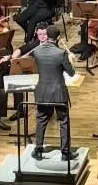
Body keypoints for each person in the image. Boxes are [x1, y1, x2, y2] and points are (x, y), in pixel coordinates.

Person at [26, 25, 73, 162]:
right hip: (58, 93)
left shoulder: (37, 52)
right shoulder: (61, 53)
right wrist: (69, 60)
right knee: (63, 121)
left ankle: (39, 150)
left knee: (41, 120)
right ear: (58, 38)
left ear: (47, 36)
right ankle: (65, 152)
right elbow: (71, 73)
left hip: (42, 93)